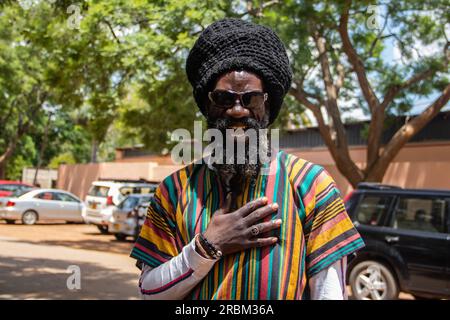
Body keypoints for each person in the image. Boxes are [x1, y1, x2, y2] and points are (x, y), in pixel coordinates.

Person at [130, 18, 365, 300]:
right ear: (207, 104)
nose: (237, 111)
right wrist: (206, 247)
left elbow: (329, 294)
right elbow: (148, 291)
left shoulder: (311, 186)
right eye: (224, 98)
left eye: (250, 99)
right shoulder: (174, 191)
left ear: (267, 104)